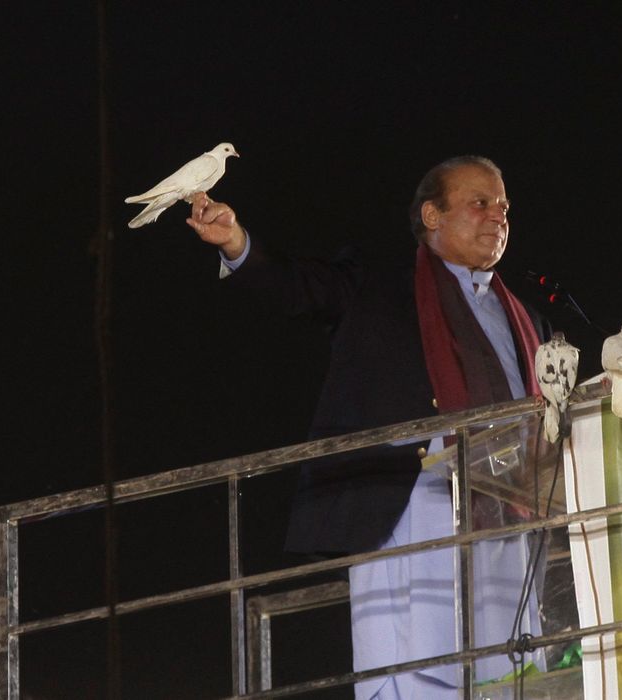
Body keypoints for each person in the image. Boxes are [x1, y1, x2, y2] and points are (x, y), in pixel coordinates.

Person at [187, 155, 549, 698]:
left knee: (508, 661)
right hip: (411, 500)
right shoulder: (382, 289)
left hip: (509, 510)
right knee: (417, 663)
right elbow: (298, 287)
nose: (498, 216)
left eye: (504, 207)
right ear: (432, 215)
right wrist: (237, 242)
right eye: (480, 203)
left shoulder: (524, 315)